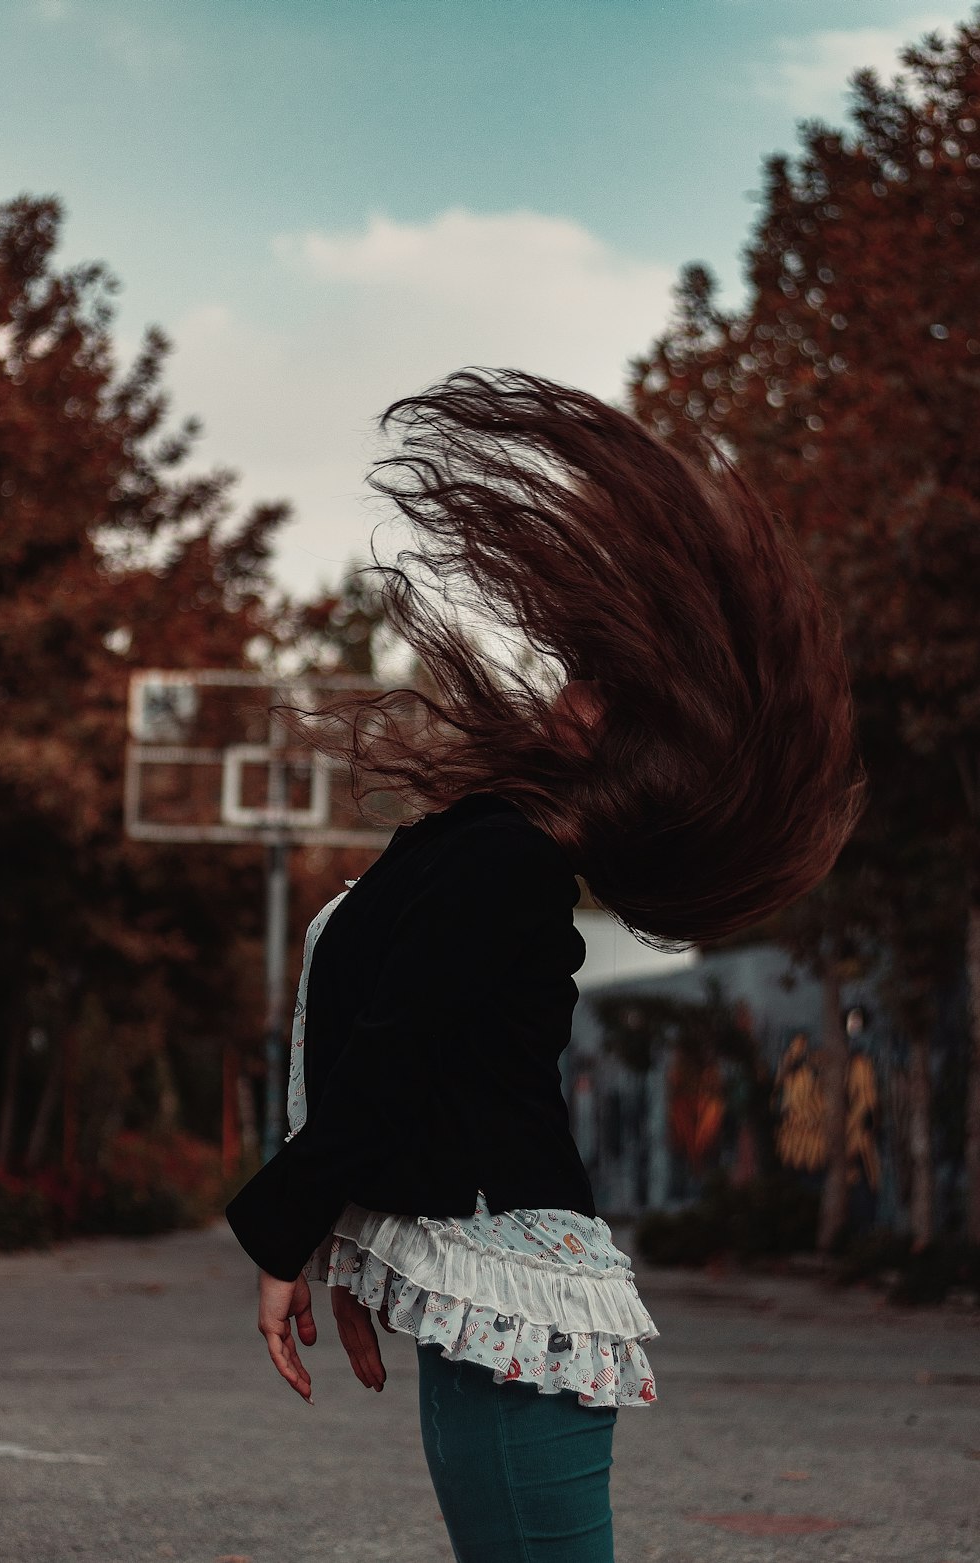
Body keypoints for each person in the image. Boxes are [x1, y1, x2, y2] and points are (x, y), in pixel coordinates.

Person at [225, 367, 866, 1562]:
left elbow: (393, 1060)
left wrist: (287, 1238)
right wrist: (345, 1244)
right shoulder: (490, 847)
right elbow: (413, 1055)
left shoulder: (505, 865)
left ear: (636, 748)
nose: (569, 680)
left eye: (603, 686)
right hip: (497, 1297)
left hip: (515, 1302)